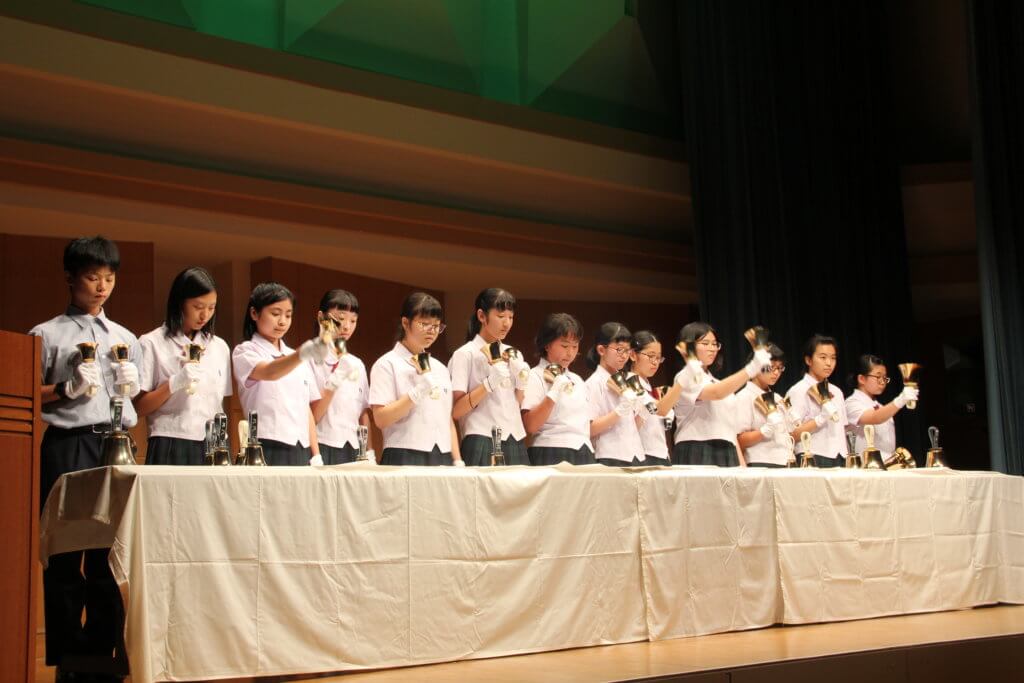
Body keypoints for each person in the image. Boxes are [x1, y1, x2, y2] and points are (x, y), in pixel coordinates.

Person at [30, 236, 141, 681]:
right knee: (63, 553)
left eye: (109, 278)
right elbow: (25, 392)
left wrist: (131, 387)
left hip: (114, 443)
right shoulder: (47, 333)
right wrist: (64, 388)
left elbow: (133, 401)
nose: (101, 287)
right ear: (71, 278)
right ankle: (68, 657)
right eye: (93, 277)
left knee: (108, 553)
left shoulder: (124, 337)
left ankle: (102, 651)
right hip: (68, 442)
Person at [135, 267, 231, 465]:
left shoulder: (219, 347)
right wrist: (173, 384)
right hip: (170, 439)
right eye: (198, 307)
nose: (205, 315)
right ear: (180, 302)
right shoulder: (152, 343)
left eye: (211, 308)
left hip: (214, 441)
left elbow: (220, 403)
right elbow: (138, 407)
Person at [231, 282, 326, 465]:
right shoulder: (246, 351)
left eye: (288, 315)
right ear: (254, 313)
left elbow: (305, 408)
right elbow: (270, 371)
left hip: (301, 446)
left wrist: (316, 454)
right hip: (266, 444)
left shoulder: (295, 357)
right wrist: (301, 354)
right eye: (275, 314)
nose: (282, 321)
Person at [368, 292, 463, 466]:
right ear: (405, 323)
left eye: (436, 326)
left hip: (442, 454)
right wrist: (417, 392)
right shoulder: (387, 364)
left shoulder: (440, 368)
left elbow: (446, 418)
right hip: (404, 453)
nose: (432, 331)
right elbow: (381, 419)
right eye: (424, 324)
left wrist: (457, 460)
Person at [671, 322, 772, 466]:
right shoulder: (684, 377)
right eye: (705, 343)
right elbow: (716, 393)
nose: (712, 349)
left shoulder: (716, 381)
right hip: (697, 447)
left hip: (727, 449)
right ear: (689, 346)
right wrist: (752, 368)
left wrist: (741, 465)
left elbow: (729, 430)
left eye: (715, 344)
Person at [447, 288, 530, 466]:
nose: (507, 323)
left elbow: (516, 403)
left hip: (514, 437)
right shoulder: (465, 354)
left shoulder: (513, 353)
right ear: (482, 316)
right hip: (481, 437)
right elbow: (456, 411)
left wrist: (522, 384)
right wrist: (488, 384)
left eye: (511, 317)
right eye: (500, 316)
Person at [521, 313, 595, 465]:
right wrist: (553, 393)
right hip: (551, 449)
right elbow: (531, 425)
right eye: (565, 346)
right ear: (547, 345)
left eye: (575, 346)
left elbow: (586, 424)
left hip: (584, 450)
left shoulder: (577, 380)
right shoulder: (535, 375)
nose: (570, 352)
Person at [309, 289, 373, 464]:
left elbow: (363, 413)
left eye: (353, 320)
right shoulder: (310, 359)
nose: (346, 326)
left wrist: (370, 452)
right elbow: (312, 416)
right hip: (322, 443)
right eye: (340, 318)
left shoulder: (356, 363)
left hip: (354, 446)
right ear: (321, 317)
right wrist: (336, 377)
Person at [584, 322, 646, 467]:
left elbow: (630, 427)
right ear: (601, 350)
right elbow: (589, 429)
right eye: (619, 349)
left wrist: (644, 411)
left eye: (627, 351)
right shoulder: (593, 383)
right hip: (609, 456)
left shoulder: (627, 380)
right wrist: (620, 410)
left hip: (635, 454)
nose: (624, 356)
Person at [786, 334, 849, 467]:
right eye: (823, 357)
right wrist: (821, 418)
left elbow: (842, 429)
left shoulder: (837, 392)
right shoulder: (798, 390)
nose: (829, 363)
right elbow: (791, 435)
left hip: (840, 456)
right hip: (811, 456)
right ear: (808, 360)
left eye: (833, 358)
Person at [844, 354, 919, 460]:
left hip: (887, 463)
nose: (882, 381)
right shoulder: (851, 403)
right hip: (865, 465)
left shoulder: (880, 406)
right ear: (861, 379)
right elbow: (875, 417)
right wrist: (901, 400)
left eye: (885, 378)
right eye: (878, 377)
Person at [735, 344, 792, 467]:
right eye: (771, 367)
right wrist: (764, 430)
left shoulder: (778, 398)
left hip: (785, 461)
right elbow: (739, 440)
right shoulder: (744, 396)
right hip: (760, 461)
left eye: (780, 368)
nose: (776, 372)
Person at [627, 330, 673, 466]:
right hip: (641, 454)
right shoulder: (628, 383)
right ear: (633, 355)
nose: (655, 362)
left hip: (660, 454)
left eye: (658, 358)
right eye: (651, 356)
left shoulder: (651, 390)